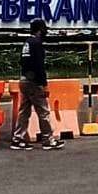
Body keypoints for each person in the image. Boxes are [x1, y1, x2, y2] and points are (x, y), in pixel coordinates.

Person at [11, 19, 63, 151]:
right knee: (43, 111)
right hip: (34, 82)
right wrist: (44, 84)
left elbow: (22, 62)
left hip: (24, 79)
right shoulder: (37, 43)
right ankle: (48, 139)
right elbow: (39, 66)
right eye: (44, 29)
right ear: (40, 30)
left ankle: (18, 139)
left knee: (24, 111)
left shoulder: (27, 43)